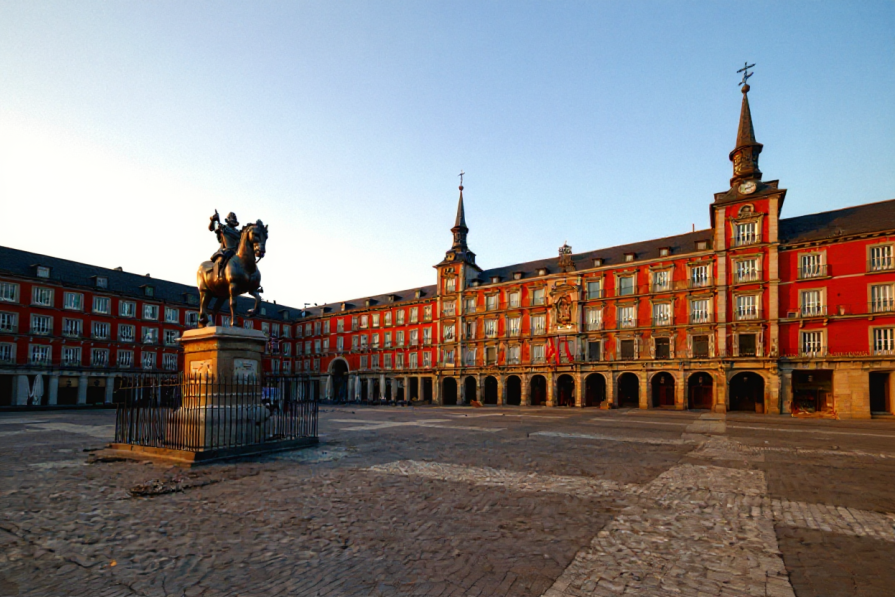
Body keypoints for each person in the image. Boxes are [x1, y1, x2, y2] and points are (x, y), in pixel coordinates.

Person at [209, 210, 240, 278]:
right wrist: (213, 220)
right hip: (226, 250)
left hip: (237, 252)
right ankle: (219, 272)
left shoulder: (238, 232)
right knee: (224, 257)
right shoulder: (223, 228)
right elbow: (211, 228)